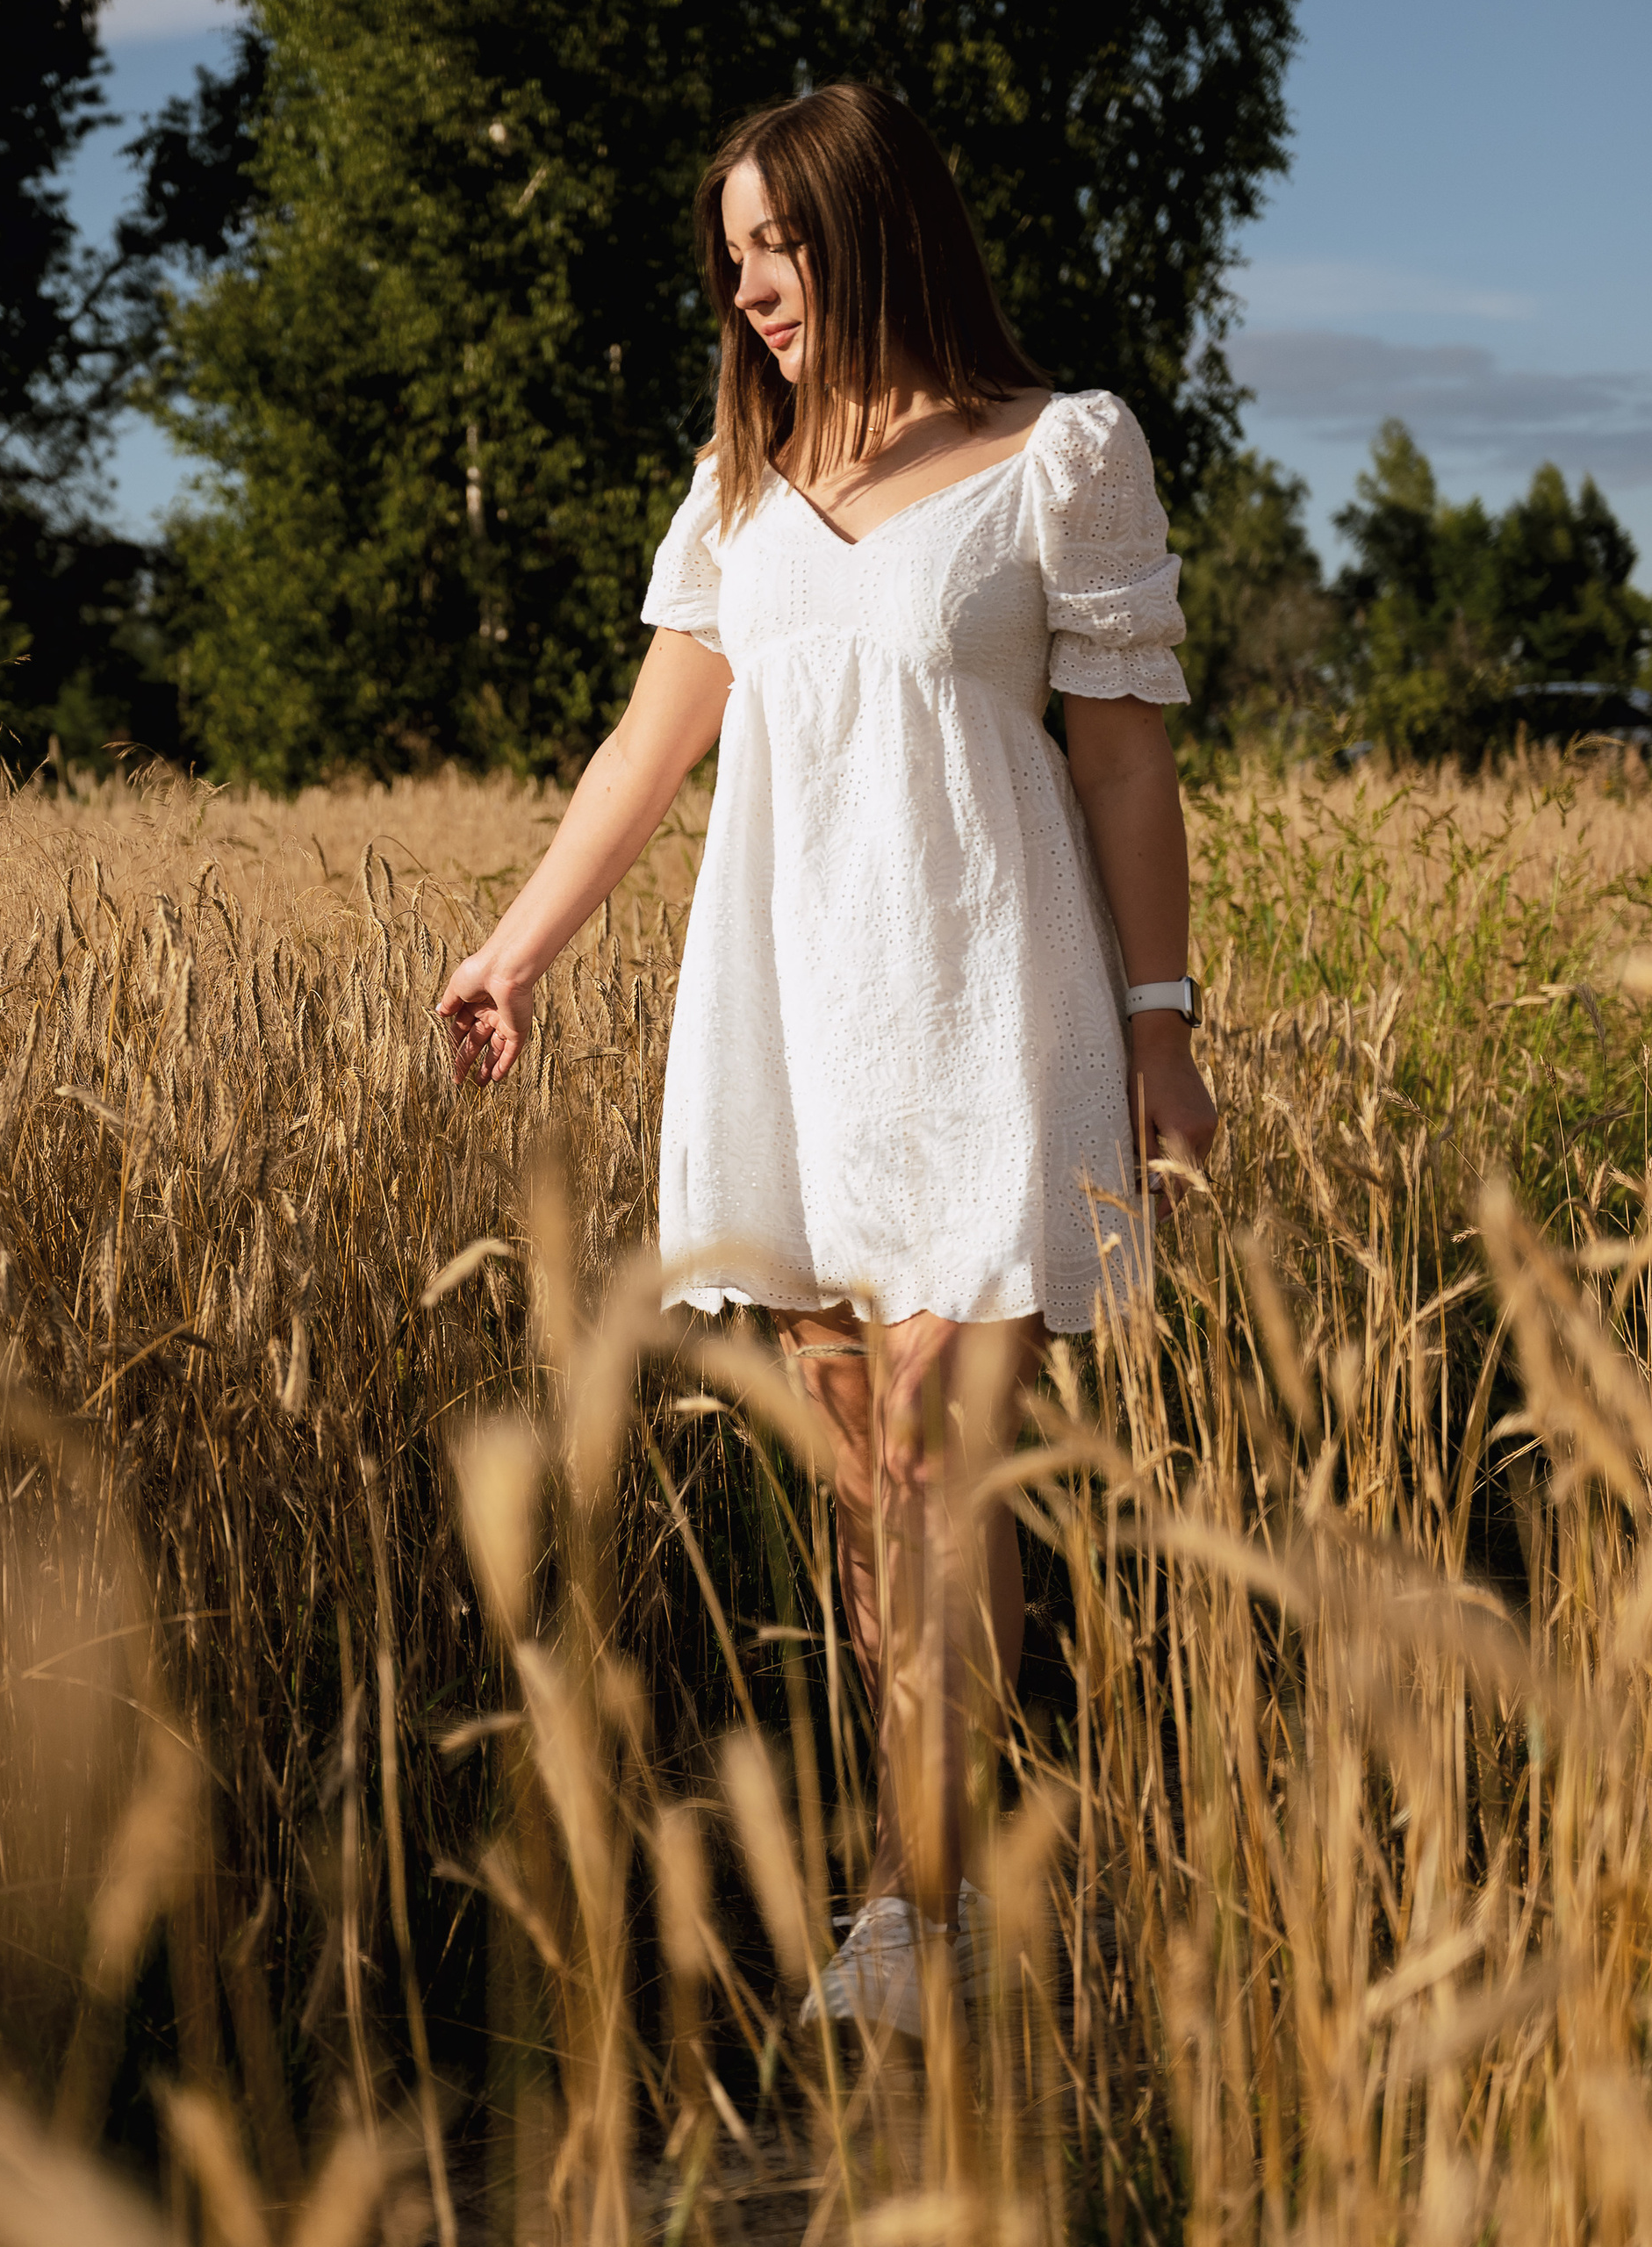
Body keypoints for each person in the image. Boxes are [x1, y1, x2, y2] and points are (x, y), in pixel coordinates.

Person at [435, 83, 1219, 2036]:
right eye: (730, 253)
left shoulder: (1057, 455)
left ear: (875, 229)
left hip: (989, 1006)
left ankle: (918, 1904)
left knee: (949, 1476)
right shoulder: (733, 493)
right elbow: (646, 748)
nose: (748, 282)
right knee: (866, 1494)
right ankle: (934, 1889)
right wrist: (515, 949)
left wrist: (1161, 1025)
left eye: (778, 242)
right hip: (793, 1021)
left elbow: (1122, 764)